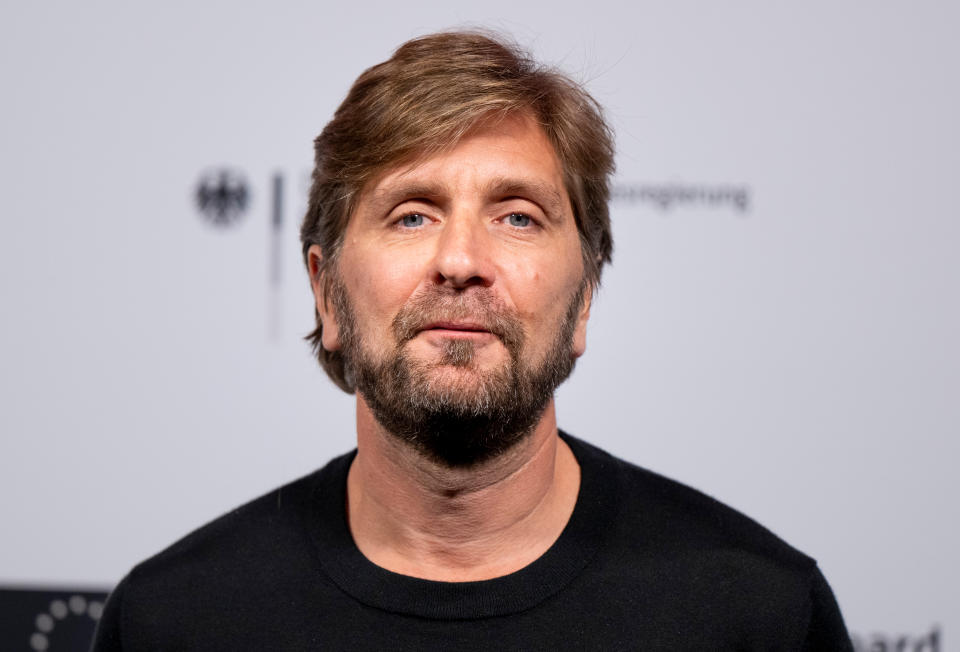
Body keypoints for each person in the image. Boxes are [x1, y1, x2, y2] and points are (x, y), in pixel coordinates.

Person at [92, 31, 853, 650]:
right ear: (327, 292)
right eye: (412, 214)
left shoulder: (761, 617)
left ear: (584, 297)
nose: (461, 262)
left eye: (517, 216)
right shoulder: (173, 622)